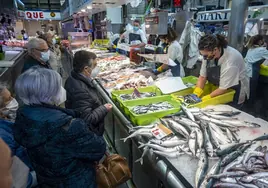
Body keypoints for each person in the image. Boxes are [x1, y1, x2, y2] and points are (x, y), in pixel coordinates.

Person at [13, 67, 106, 187]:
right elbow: (97, 149)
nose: (62, 89)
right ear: (48, 94)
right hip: (76, 181)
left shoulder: (23, 115)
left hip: (46, 179)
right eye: (58, 86)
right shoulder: (67, 126)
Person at [193, 34, 249, 106]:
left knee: (230, 110)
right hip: (220, 86)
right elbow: (203, 76)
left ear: (215, 49)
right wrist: (196, 94)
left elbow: (223, 88)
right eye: (202, 55)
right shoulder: (208, 55)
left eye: (205, 56)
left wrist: (206, 98)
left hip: (235, 87)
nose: (204, 58)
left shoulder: (230, 62)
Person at [65, 51, 112, 136]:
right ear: (86, 69)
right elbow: (86, 119)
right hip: (89, 134)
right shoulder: (80, 90)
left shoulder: (74, 77)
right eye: (94, 65)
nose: (97, 68)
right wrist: (104, 108)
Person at [244, 34, 268, 104]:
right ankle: (250, 110)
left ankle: (246, 107)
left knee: (247, 91)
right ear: (260, 41)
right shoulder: (261, 50)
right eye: (263, 41)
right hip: (252, 72)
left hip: (246, 71)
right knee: (251, 91)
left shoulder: (251, 49)